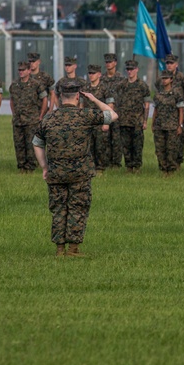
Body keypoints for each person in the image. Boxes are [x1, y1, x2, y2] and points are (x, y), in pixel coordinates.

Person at [33, 77, 118, 257]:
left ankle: (59, 249)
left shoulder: (49, 118)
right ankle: (73, 249)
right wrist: (94, 99)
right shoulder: (85, 115)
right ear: (78, 97)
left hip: (56, 173)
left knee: (58, 208)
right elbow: (112, 115)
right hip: (80, 173)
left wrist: (44, 167)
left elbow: (37, 143)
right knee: (77, 208)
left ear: (59, 96)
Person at [10, 60, 47, 173]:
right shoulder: (14, 85)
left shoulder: (36, 85)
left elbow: (44, 99)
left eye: (23, 70)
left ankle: (30, 167)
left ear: (29, 71)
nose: (20, 72)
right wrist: (14, 113)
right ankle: (21, 166)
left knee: (31, 145)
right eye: (19, 70)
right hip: (18, 121)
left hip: (32, 121)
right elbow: (12, 101)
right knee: (19, 144)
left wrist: (41, 115)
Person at [118, 59, 151, 173]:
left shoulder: (142, 86)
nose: (129, 71)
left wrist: (145, 121)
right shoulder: (122, 85)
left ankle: (137, 167)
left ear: (136, 70)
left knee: (137, 146)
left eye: (131, 69)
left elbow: (146, 105)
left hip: (137, 121)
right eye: (128, 69)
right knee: (125, 146)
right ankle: (128, 167)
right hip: (124, 121)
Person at [97, 52, 126, 169]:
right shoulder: (101, 79)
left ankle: (116, 164)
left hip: (118, 113)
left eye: (110, 62)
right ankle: (106, 162)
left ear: (115, 63)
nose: (108, 64)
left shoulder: (121, 79)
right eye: (106, 62)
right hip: (105, 114)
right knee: (105, 139)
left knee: (117, 140)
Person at [152, 72, 184, 176]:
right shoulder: (158, 94)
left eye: (166, 78)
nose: (164, 80)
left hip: (172, 126)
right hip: (159, 126)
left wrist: (180, 125)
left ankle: (171, 171)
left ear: (171, 79)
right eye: (163, 78)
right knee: (160, 149)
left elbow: (181, 110)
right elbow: (155, 110)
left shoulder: (177, 94)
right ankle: (163, 170)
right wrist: (152, 124)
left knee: (171, 149)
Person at [86, 64, 109, 172]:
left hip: (100, 122)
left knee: (100, 147)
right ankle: (91, 168)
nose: (91, 75)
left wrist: (107, 122)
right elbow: (81, 105)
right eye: (89, 73)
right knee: (89, 147)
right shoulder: (85, 89)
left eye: (93, 73)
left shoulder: (104, 89)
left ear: (99, 74)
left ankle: (100, 168)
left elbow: (110, 106)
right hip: (89, 123)